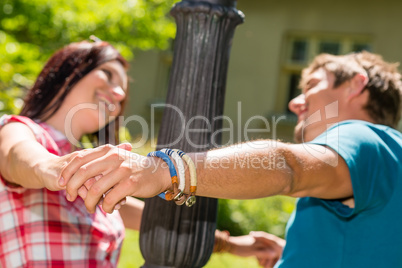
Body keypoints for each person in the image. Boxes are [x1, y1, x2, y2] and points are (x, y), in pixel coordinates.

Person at [60, 51, 402, 268]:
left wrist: (164, 169)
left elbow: (288, 167)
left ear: (357, 85)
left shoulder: (361, 137)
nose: (297, 102)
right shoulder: (387, 158)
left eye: (312, 85)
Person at [0, 39, 281, 267]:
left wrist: (230, 244)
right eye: (108, 74)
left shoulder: (92, 166)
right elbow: (17, 156)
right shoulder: (19, 131)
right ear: (66, 73)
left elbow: (151, 218)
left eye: (122, 87)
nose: (119, 93)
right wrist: (56, 168)